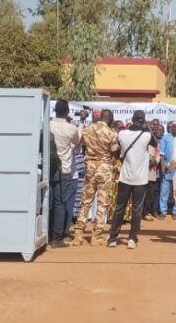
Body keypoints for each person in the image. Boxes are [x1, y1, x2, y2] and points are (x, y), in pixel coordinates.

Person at [108, 110, 155, 249]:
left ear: (132, 119)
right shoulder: (146, 135)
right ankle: (132, 239)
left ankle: (112, 238)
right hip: (140, 179)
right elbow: (155, 142)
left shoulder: (122, 133)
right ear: (143, 120)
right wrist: (148, 126)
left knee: (119, 208)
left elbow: (116, 148)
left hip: (125, 177)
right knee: (137, 209)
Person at [73, 109, 119, 246]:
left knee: (85, 200)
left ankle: (78, 234)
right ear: (110, 119)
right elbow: (113, 150)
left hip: (90, 168)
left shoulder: (87, 129)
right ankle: (96, 235)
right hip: (104, 168)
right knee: (102, 202)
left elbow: (81, 145)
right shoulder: (111, 133)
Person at [49, 99, 80, 248]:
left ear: (55, 110)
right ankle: (56, 238)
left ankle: (46, 233)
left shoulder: (47, 124)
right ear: (67, 112)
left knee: (46, 202)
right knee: (60, 203)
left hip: (48, 168)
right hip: (65, 169)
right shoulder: (71, 129)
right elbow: (77, 142)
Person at [159, 121, 176, 218]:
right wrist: (163, 167)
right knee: (164, 190)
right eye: (174, 127)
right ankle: (163, 211)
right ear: (171, 128)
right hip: (167, 168)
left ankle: (175, 211)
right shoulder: (166, 137)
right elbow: (162, 154)